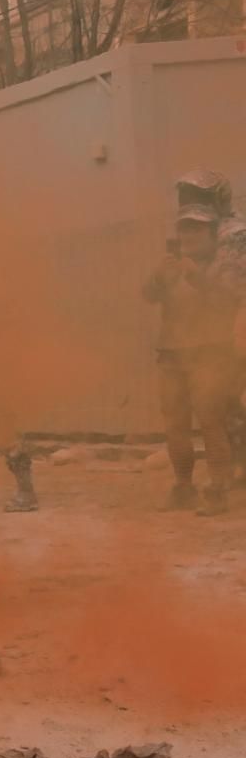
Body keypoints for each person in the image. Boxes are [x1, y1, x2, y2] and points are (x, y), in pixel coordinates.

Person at [143, 183, 240, 516]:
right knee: (175, 424)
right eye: (185, 228)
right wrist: (160, 277)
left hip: (210, 355)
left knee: (212, 422)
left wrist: (196, 276)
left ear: (212, 233)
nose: (189, 235)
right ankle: (183, 486)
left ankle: (218, 491)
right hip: (171, 354)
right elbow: (149, 295)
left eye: (197, 229)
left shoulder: (225, 262)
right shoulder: (171, 264)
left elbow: (230, 301)